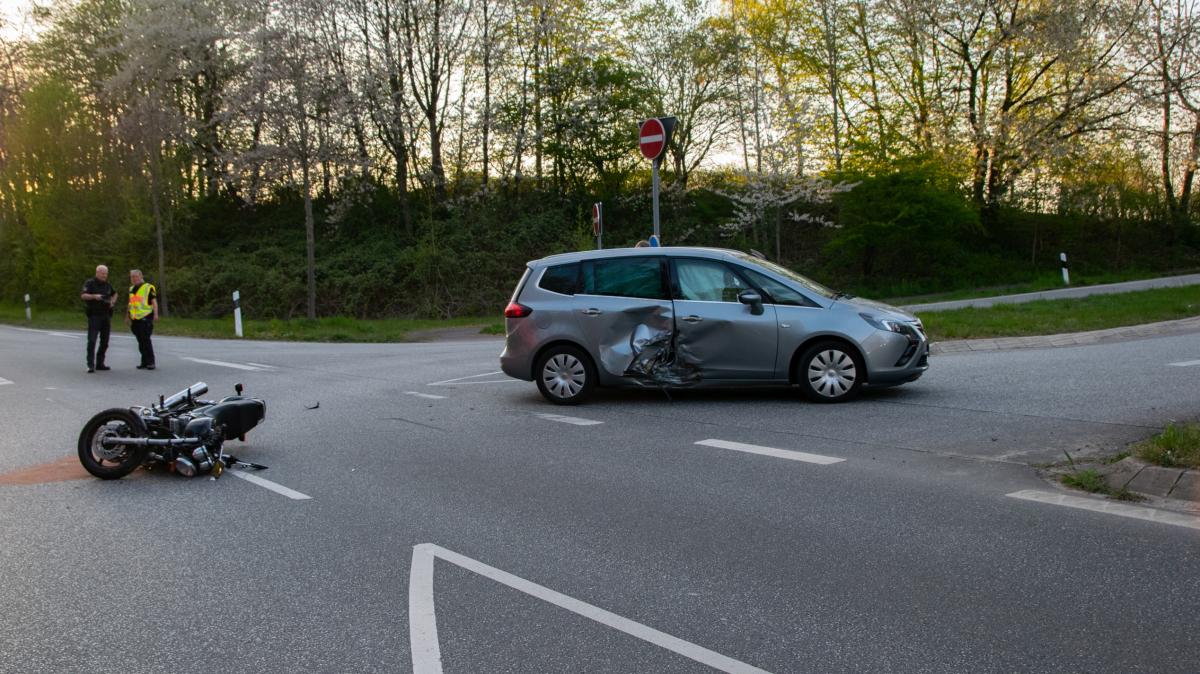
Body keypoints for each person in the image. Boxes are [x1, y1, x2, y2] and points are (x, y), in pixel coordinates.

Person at [80, 265, 116, 373]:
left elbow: (115, 294)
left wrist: (112, 302)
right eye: (103, 273)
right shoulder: (90, 283)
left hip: (106, 315)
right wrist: (94, 296)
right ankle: (90, 364)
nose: (105, 275)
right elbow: (83, 295)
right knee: (92, 340)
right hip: (94, 315)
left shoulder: (108, 285)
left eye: (106, 273)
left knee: (105, 341)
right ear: (97, 272)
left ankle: (100, 363)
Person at [126, 269, 158, 370]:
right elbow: (130, 303)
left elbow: (154, 302)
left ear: (141, 276)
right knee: (140, 341)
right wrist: (127, 316)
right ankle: (144, 361)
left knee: (146, 340)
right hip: (135, 318)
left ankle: (151, 362)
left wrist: (156, 314)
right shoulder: (131, 289)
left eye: (135, 276)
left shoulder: (148, 287)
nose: (134, 278)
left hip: (145, 317)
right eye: (132, 277)